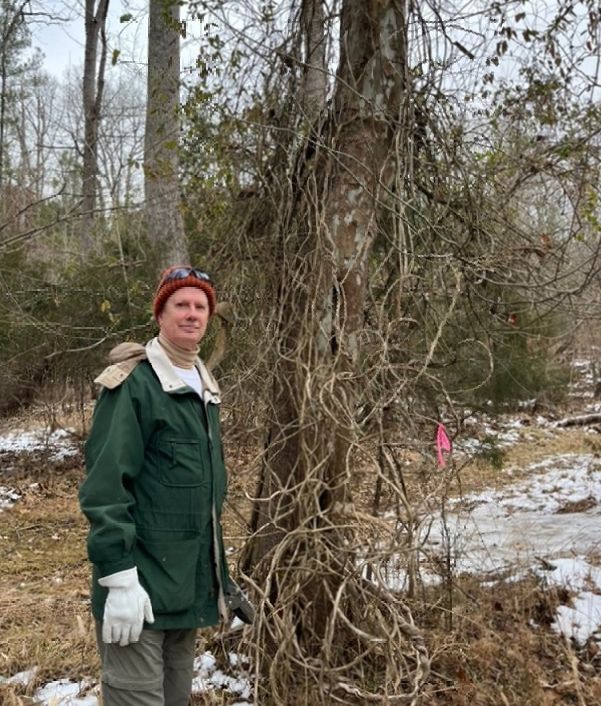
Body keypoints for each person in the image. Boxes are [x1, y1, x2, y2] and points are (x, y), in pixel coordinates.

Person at [79, 265, 250, 706]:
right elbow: (105, 487)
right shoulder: (134, 384)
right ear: (160, 314)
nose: (192, 314)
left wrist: (219, 580)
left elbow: (200, 500)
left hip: (184, 589)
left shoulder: (202, 385)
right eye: (181, 304)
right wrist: (118, 578)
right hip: (137, 589)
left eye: (201, 306)